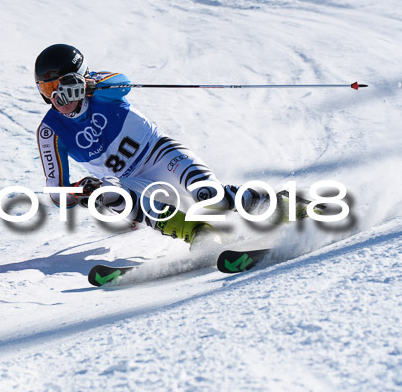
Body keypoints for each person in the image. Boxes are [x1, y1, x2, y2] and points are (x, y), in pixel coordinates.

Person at [34, 44, 263, 244]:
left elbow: (123, 82)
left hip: (160, 156)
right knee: (109, 193)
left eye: (61, 86)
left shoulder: (101, 92)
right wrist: (80, 190)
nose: (56, 97)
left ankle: (278, 206)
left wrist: (89, 86)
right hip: (130, 183)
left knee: (211, 196)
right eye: (47, 89)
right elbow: (56, 193)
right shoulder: (50, 131)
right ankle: (199, 236)